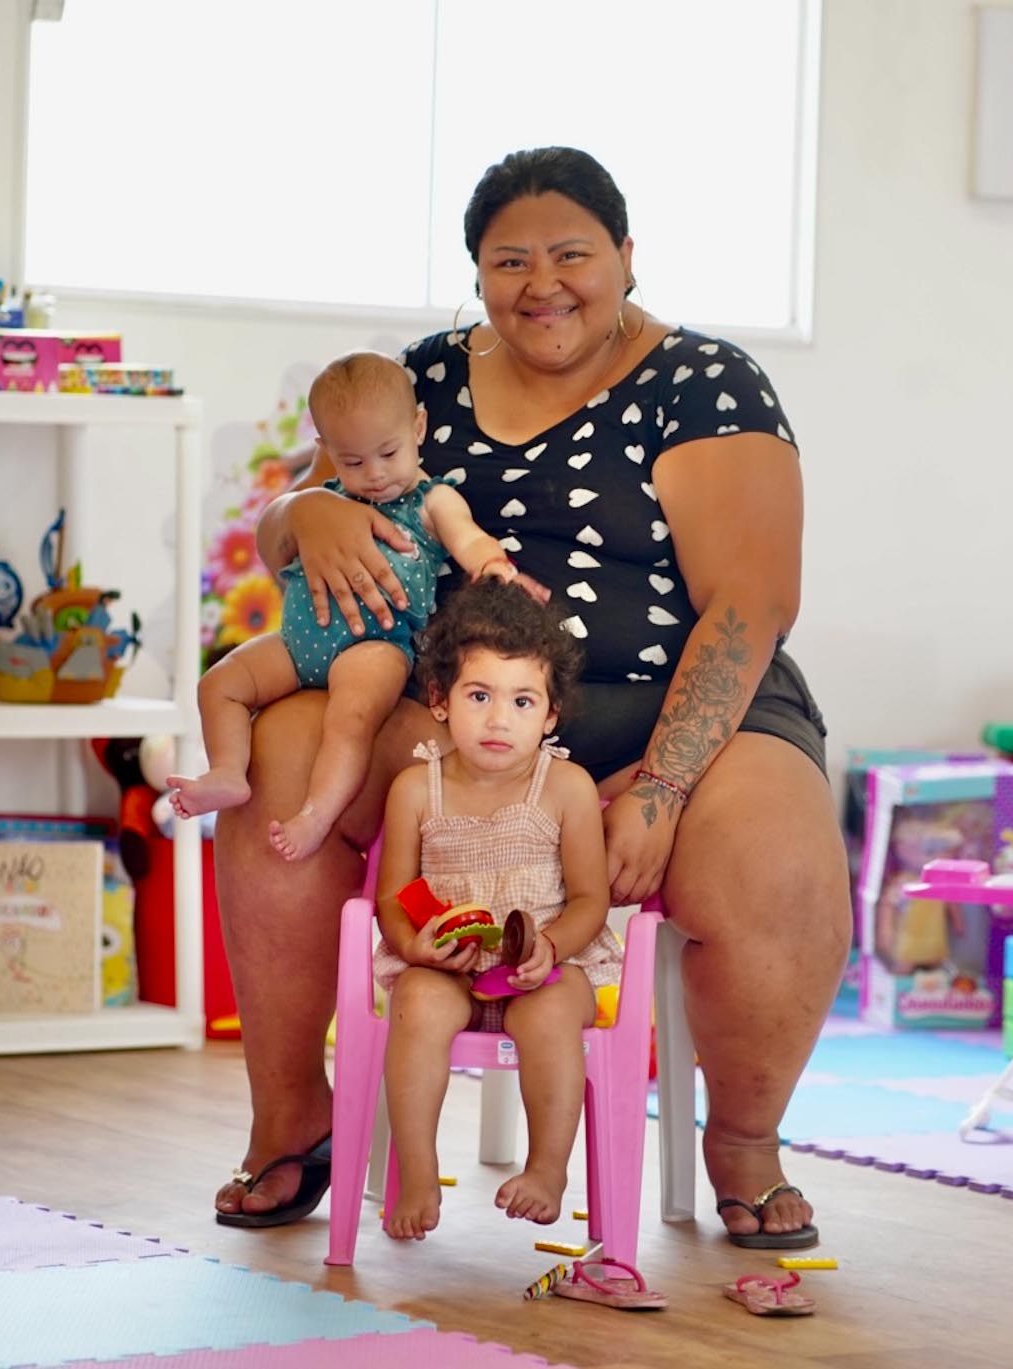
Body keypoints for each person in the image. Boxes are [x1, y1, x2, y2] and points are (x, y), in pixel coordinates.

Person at [212, 147, 847, 1250]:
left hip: (682, 700)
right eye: (510, 261)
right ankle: (290, 1119)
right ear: (477, 273)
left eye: (571, 255)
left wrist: (663, 785)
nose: (542, 284)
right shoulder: (422, 377)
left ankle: (746, 1142)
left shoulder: (706, 381)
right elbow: (306, 508)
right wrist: (298, 516)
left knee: (772, 858)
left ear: (627, 256)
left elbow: (750, 603)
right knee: (280, 755)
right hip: (458, 706)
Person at [166, 352, 538, 861]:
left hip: (375, 646)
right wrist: (309, 508)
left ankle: (317, 814)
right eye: (354, 462)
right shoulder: (329, 499)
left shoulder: (431, 500)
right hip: (296, 644)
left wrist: (492, 565)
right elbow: (279, 535)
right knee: (218, 684)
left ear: (418, 427)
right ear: (326, 451)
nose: (376, 474)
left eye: (388, 453)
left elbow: (467, 537)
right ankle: (229, 771)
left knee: (350, 719)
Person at [371, 580, 622, 1239]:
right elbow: (394, 895)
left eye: (522, 701)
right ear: (439, 699)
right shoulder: (415, 790)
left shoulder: (566, 788)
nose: (498, 719)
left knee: (549, 1014)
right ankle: (418, 1173)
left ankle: (546, 1170)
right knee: (416, 1003)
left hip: (544, 970)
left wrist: (552, 946)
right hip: (449, 969)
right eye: (478, 696)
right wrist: (413, 946)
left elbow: (591, 900)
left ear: (550, 715)